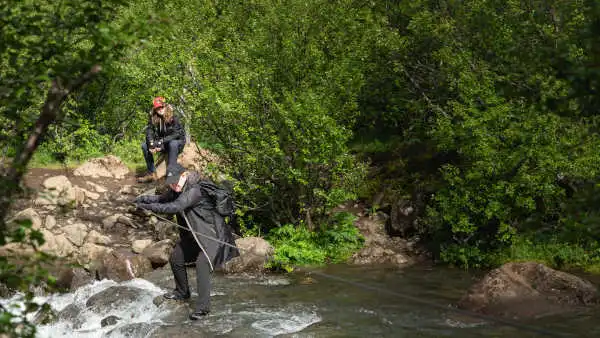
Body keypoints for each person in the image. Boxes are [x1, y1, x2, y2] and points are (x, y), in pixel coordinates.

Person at [134, 164, 239, 320]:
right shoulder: (177, 189)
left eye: (176, 181)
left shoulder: (194, 191)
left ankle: (203, 308)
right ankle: (182, 292)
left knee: (202, 264)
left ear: (183, 176)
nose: (173, 185)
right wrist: (142, 199)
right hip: (195, 237)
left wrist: (148, 207)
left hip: (213, 237)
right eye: (170, 182)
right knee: (176, 257)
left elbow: (176, 206)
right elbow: (162, 199)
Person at [138, 96, 186, 183]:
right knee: (145, 146)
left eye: (161, 107)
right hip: (163, 142)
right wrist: (151, 144)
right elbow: (149, 132)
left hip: (177, 142)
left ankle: (172, 176)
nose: (160, 109)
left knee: (173, 144)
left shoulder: (174, 116)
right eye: (157, 108)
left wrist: (161, 142)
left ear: (165, 106)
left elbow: (176, 134)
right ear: (155, 109)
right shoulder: (154, 117)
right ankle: (151, 174)